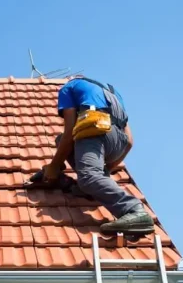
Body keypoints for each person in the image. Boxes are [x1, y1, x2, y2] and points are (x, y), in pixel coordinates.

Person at [42, 75, 154, 235]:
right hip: (118, 143)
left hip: (96, 130)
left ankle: (134, 211)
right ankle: (94, 186)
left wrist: (53, 167)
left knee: (87, 176)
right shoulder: (113, 93)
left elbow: (69, 134)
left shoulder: (69, 88)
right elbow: (129, 142)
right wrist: (107, 170)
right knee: (62, 142)